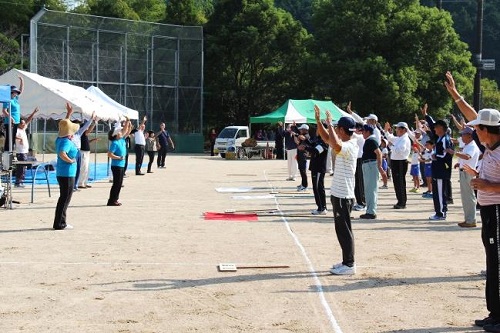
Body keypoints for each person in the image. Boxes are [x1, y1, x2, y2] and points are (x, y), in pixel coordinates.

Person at [444, 71, 500, 331]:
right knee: (492, 261)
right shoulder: (490, 146)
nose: (473, 129)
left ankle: (498, 317)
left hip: (497, 211)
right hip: (489, 210)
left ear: (487, 130)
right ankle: (494, 312)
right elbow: (470, 113)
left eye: (477, 127)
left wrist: (488, 185)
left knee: (497, 262)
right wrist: (455, 94)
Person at [315, 105, 358, 275]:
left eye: (337, 128)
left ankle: (349, 264)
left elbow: (335, 144)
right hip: (338, 193)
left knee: (344, 231)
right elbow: (327, 139)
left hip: (343, 195)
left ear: (341, 129)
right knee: (341, 230)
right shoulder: (345, 142)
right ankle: (346, 261)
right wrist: (320, 123)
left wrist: (329, 124)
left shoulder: (350, 145)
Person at [425, 108, 454, 221]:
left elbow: (445, 155)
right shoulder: (441, 138)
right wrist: (426, 116)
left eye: (436, 127)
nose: (434, 129)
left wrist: (434, 156)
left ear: (441, 128)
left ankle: (441, 213)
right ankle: (439, 211)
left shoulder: (444, 139)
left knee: (440, 193)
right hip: (438, 169)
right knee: (437, 192)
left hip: (441, 170)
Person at [53, 118, 79, 230]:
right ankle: (60, 223)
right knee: (65, 198)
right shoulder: (66, 142)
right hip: (67, 173)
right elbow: (62, 153)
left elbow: (64, 125)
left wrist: (68, 114)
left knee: (63, 198)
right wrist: (71, 160)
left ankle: (59, 222)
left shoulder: (60, 139)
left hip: (62, 173)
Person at [298, 123, 329, 215]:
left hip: (319, 168)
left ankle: (322, 207)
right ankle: (320, 207)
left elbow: (316, 150)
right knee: (316, 187)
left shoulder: (324, 141)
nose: (316, 130)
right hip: (315, 167)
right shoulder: (318, 139)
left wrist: (305, 147)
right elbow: (313, 144)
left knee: (319, 187)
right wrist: (306, 142)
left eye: (318, 129)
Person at [454, 126, 480, 228]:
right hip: (465, 172)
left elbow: (468, 157)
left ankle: (471, 220)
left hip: (468, 173)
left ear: (469, 136)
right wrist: (459, 163)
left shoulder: (472, 146)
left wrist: (456, 153)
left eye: (463, 134)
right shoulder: (468, 145)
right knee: (466, 197)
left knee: (468, 197)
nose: (462, 137)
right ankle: (468, 219)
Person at [360, 124, 385, 219]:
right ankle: (370, 210)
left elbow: (378, 153)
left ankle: (371, 211)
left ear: (368, 132)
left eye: (363, 131)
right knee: (369, 189)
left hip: (371, 164)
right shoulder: (369, 140)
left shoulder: (371, 140)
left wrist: (379, 166)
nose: (362, 133)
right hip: (368, 164)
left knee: (371, 189)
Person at [384, 121, 412, 209]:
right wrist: (386, 131)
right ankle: (400, 200)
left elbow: (401, 150)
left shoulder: (404, 139)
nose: (396, 130)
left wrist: (391, 146)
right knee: (396, 182)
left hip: (401, 162)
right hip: (396, 161)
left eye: (398, 128)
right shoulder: (399, 138)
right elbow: (390, 137)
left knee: (400, 183)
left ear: (403, 130)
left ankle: (402, 202)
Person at [107, 118, 132, 206]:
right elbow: (109, 154)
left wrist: (128, 121)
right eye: (119, 132)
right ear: (116, 134)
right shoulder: (115, 143)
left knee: (119, 183)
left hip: (121, 165)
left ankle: (115, 199)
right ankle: (111, 200)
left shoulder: (121, 140)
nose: (121, 132)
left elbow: (126, 131)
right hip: (116, 165)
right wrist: (118, 157)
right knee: (116, 184)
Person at [14, 107, 39, 187]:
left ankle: (20, 181)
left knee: (23, 167)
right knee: (21, 168)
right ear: (19, 124)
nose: (24, 124)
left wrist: (33, 112)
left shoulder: (23, 129)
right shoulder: (17, 130)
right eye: (22, 123)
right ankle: (18, 182)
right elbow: (12, 137)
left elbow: (28, 120)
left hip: (24, 151)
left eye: (24, 123)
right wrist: (20, 138)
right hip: (20, 152)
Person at [2, 76, 24, 152]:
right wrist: (10, 117)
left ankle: (10, 154)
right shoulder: (7, 100)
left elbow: (21, 90)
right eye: (15, 92)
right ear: (11, 92)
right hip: (9, 122)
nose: (16, 93)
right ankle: (6, 153)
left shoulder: (15, 98)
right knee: (9, 138)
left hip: (16, 122)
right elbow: (4, 111)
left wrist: (22, 81)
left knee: (13, 138)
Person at [77, 115, 98, 189]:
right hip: (83, 152)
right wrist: (94, 123)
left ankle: (85, 182)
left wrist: (93, 140)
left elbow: (87, 141)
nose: (88, 129)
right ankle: (80, 183)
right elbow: (88, 130)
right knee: (84, 167)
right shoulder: (82, 133)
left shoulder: (84, 135)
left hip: (87, 152)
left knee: (87, 168)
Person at [294, 124, 310, 191]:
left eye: (301, 129)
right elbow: (298, 140)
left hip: (303, 155)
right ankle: (303, 184)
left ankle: (305, 186)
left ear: (305, 130)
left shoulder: (306, 135)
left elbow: (302, 137)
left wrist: (296, 134)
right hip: (300, 155)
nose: (300, 130)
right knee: (301, 170)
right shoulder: (303, 135)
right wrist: (295, 129)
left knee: (303, 171)